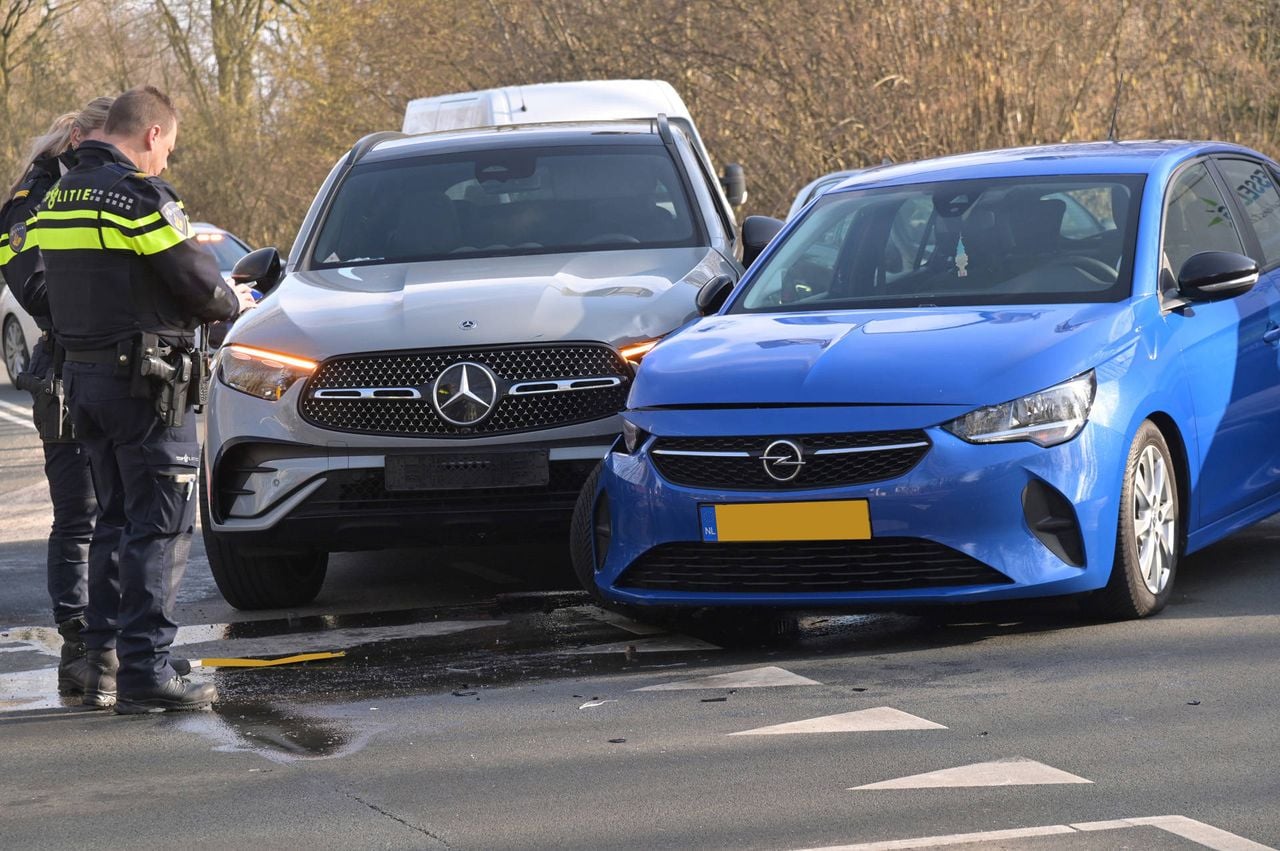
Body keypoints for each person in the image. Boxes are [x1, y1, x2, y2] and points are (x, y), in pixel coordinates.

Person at [11, 85, 256, 713]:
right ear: (151, 134)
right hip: (145, 389)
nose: (166, 160)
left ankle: (106, 658)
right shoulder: (140, 198)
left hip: (84, 382)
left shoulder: (56, 198)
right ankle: (147, 669)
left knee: (113, 523)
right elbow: (202, 288)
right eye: (167, 147)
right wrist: (233, 299)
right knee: (160, 527)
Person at [0, 97, 114, 697]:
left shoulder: (116, 188)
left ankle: (118, 642)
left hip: (116, 365)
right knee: (79, 513)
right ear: (77, 137)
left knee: (122, 511)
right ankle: (78, 644)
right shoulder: (31, 199)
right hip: (65, 368)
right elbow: (36, 289)